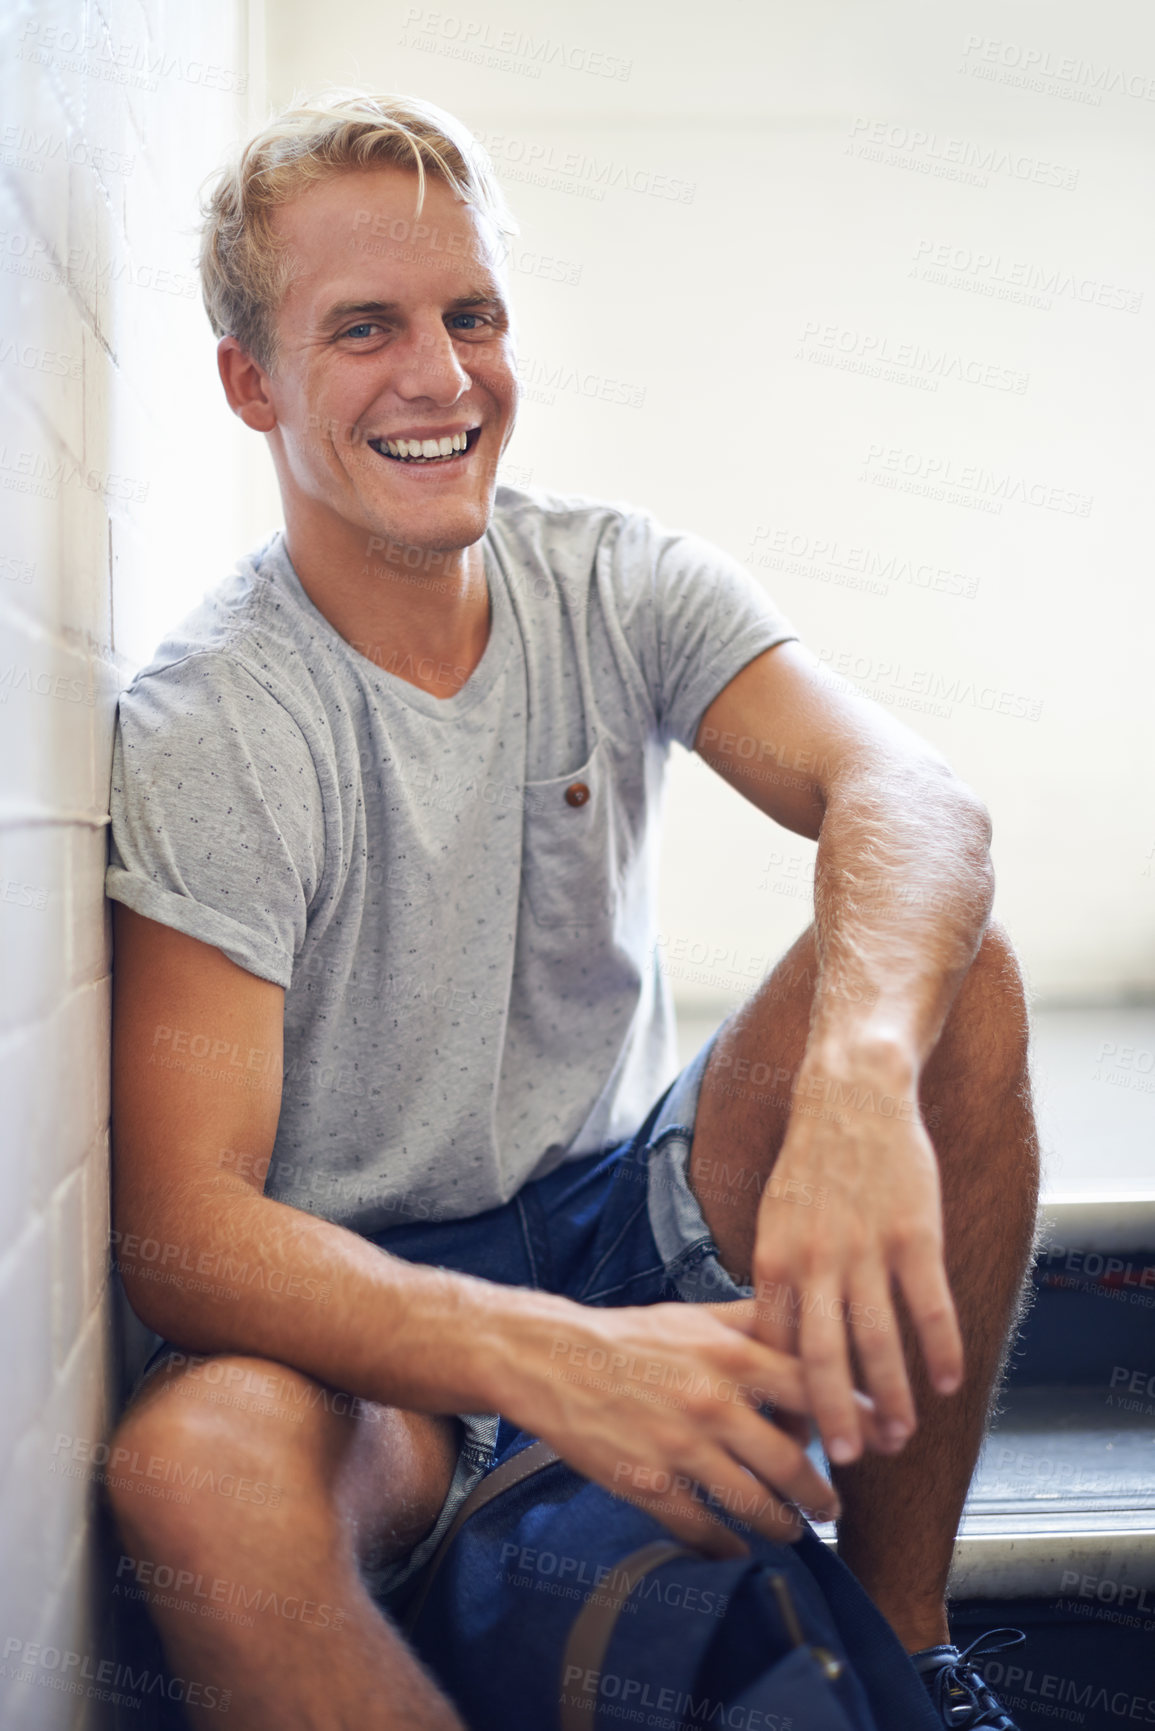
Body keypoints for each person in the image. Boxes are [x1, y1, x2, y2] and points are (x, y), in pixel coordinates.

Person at [103, 91, 1039, 1730]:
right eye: (364, 329)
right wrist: (544, 1357)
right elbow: (185, 1230)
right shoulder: (217, 720)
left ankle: (911, 1648)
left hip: (627, 1211)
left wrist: (853, 1089)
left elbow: (915, 801)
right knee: (191, 1468)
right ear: (250, 383)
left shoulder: (615, 580)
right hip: (368, 1326)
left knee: (956, 975)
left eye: (471, 315)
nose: (442, 377)